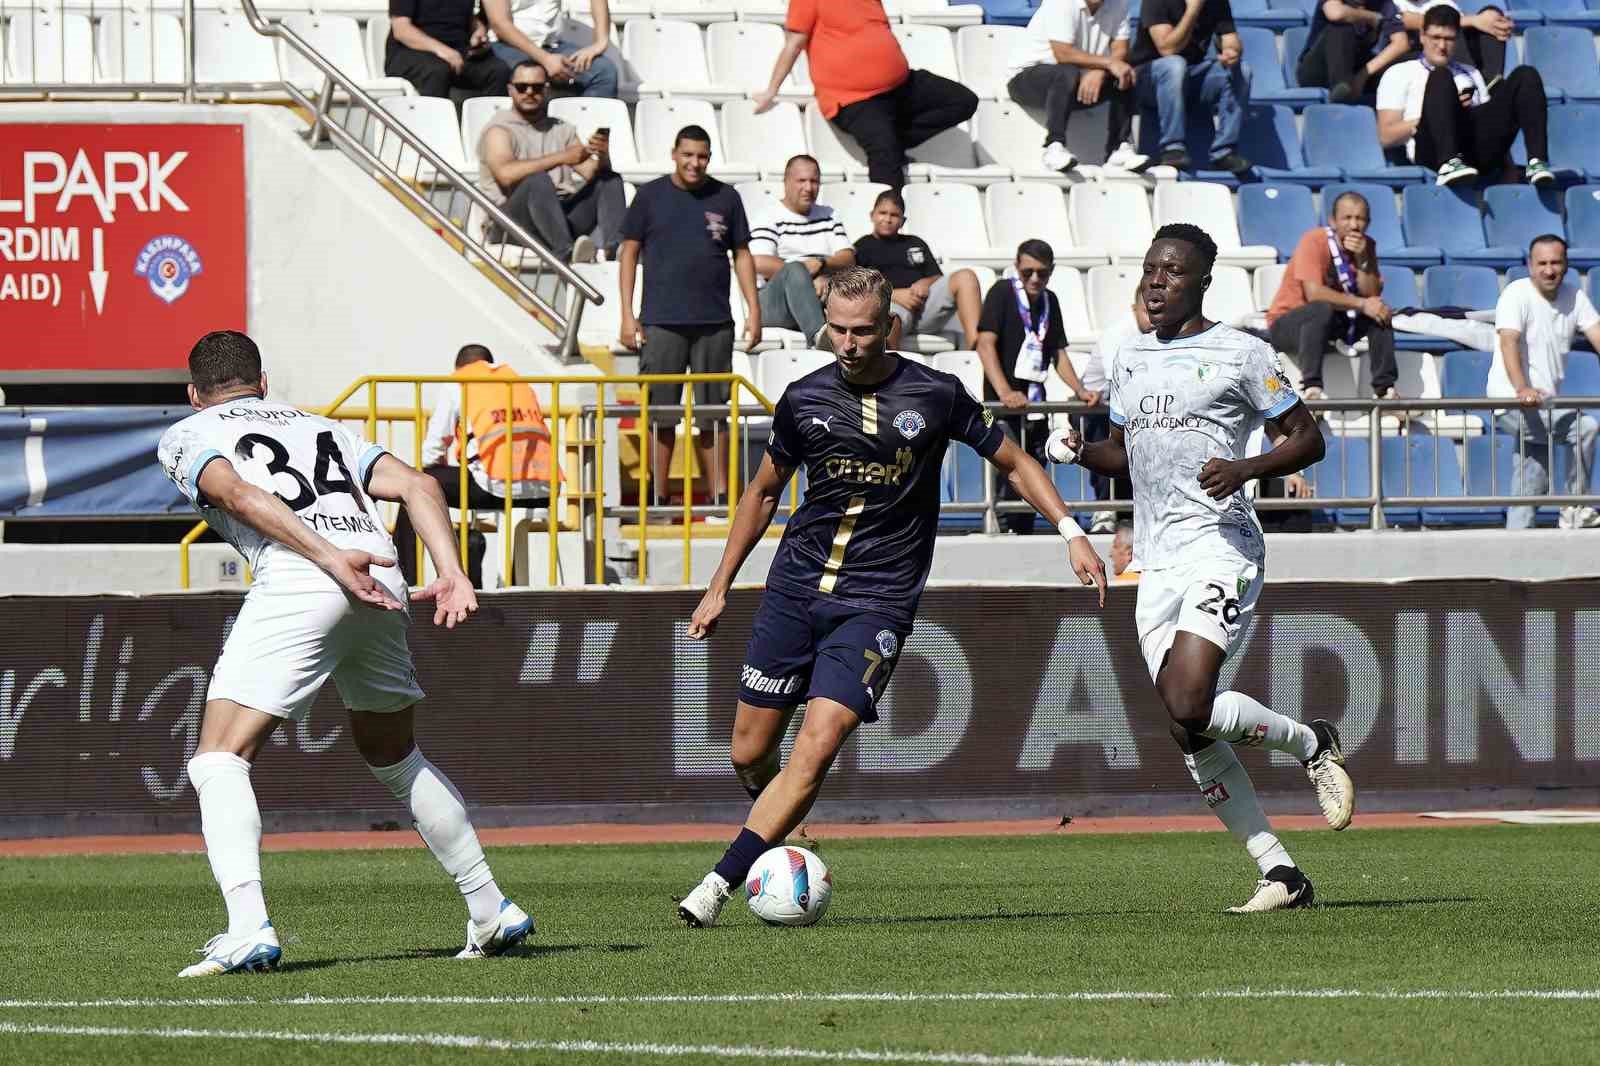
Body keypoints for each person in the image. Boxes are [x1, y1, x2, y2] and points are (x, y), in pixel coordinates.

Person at [674, 267, 1107, 928]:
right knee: (747, 752)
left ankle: (717, 884)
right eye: (838, 331)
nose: (848, 343)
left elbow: (1014, 461)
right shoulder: (803, 398)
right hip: (795, 590)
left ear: (889, 328)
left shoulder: (934, 394)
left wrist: (1072, 531)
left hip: (877, 600)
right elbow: (762, 493)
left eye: (862, 331)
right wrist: (719, 587)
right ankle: (777, 825)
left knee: (818, 744)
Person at [156, 331, 531, 976]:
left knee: (219, 757)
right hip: (382, 574)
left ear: (194, 394)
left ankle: (247, 928)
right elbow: (419, 486)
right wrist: (453, 571)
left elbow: (239, 495)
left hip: (312, 574)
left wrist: (329, 561)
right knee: (393, 752)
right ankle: (490, 907)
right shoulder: (321, 426)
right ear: (264, 382)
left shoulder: (189, 433)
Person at [1055, 224, 1356, 912]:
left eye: (1171, 272)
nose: (1155, 283)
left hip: (1222, 546)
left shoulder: (1244, 353)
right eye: (1148, 270)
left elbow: (1308, 437)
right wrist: (1075, 449)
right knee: (1186, 726)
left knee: (1190, 702)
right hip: (1156, 563)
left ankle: (1311, 741)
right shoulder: (1128, 356)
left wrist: (1247, 467)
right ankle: (1281, 872)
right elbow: (1123, 454)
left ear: (1201, 283)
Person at [619, 126, 761, 506]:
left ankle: (719, 497)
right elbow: (629, 253)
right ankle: (659, 498)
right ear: (674, 153)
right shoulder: (649, 196)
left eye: (702, 156)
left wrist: (754, 309)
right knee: (660, 414)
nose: (694, 163)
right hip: (661, 321)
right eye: (688, 155)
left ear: (709, 157)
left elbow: (742, 255)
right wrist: (626, 315)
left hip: (715, 322)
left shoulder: (726, 197)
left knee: (714, 416)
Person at [752, 0, 978, 189]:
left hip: (901, 84)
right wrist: (772, 90)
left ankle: (895, 140)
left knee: (963, 100)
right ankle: (887, 232)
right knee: (886, 156)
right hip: (854, 98)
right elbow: (794, 44)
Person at [395, 344, 556, 588]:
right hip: (542, 490)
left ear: (460, 367)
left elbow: (432, 450)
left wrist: (437, 471)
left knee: (414, 487)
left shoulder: (461, 382)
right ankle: (513, 583)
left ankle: (405, 582)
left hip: (496, 486)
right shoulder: (518, 383)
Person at [976, 239, 1099, 534]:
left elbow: (1058, 352)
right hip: (1002, 407)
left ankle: (1024, 530)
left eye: (1041, 273)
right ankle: (1003, 532)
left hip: (1034, 406)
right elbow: (984, 344)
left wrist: (1080, 389)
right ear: (1017, 267)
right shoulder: (1001, 292)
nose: (1034, 278)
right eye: (1027, 271)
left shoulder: (1049, 300)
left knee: (1034, 473)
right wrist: (1004, 391)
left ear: (1051, 272)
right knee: (1008, 472)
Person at [1374, 3, 1552, 187]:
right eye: (1436, 37)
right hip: (1431, 150)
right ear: (1422, 36)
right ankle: (1449, 163)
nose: (1442, 46)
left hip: (1475, 150)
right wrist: (1441, 113)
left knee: (1526, 75)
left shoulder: (1471, 73)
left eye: (1449, 39)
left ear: (1457, 39)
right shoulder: (1399, 73)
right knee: (1441, 75)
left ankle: (1537, 162)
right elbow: (1385, 136)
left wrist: (1509, 168)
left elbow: (1491, 122)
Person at [1490, 235, 1600, 530]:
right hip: (1512, 400)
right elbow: (1509, 342)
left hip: (1544, 404)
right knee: (1586, 427)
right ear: (1530, 265)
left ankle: (1516, 547)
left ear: (1566, 265)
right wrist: (1521, 387)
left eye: (1556, 263)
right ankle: (1576, 506)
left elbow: (1597, 333)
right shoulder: (1516, 294)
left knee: (1531, 478)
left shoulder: (1575, 296)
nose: (1549, 270)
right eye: (1542, 263)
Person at [475, 60, 623, 262]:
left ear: (547, 89)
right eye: (521, 87)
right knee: (537, 180)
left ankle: (616, 249)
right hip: (511, 223)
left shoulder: (562, 129)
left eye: (536, 87)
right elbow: (505, 175)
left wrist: (602, 154)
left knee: (609, 179)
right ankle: (566, 252)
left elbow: (592, 173)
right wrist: (562, 157)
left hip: (558, 217)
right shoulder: (498, 130)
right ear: (510, 90)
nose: (529, 92)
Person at [1266, 190, 1400, 404]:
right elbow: (1314, 293)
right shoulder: (1315, 240)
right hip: (1288, 324)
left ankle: (1386, 391)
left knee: (1380, 312)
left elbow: (1371, 295)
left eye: (1360, 219)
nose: (1354, 225)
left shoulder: (1367, 245)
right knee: (1321, 307)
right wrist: (1363, 304)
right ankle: (1312, 389)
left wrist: (1362, 258)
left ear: (1369, 222)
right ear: (1333, 221)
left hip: (1333, 322)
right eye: (1347, 218)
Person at [1004, 0, 1151, 173]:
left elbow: (1120, 48)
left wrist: (1102, 70)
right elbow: (1063, 53)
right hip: (1026, 81)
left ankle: (1118, 149)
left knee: (1125, 73)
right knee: (1066, 72)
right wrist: (1107, 64)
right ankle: (1054, 146)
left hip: (1078, 79)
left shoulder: (1118, 3)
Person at [1127, 0, 1253, 174]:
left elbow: (1230, 37)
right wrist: (1193, 10)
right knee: (1174, 64)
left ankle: (1224, 151)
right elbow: (1167, 48)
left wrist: (1232, 52)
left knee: (1242, 70)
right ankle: (1172, 148)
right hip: (1147, 80)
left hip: (1188, 76)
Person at [850, 189, 983, 351]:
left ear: (903, 220)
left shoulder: (915, 242)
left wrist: (926, 282)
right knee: (890, 317)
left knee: (965, 277)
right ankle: (887, 368)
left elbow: (936, 276)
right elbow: (855, 289)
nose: (887, 219)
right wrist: (893, 294)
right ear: (872, 215)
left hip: (924, 308)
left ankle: (977, 350)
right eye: (882, 213)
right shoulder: (861, 247)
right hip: (889, 308)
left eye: (894, 215)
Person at [751, 155, 855, 347]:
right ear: (786, 182)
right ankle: (821, 339)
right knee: (796, 270)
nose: (808, 188)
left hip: (821, 295)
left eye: (814, 181)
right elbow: (758, 262)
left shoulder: (829, 215)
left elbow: (848, 257)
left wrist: (821, 264)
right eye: (801, 181)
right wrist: (804, 278)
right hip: (774, 304)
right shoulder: (768, 215)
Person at [1082, 294, 1147, 532]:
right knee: (1105, 457)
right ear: (1134, 308)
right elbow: (1119, 381)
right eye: (1145, 310)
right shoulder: (1116, 334)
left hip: (1127, 410)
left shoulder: (1156, 332)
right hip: (1097, 409)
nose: (1150, 316)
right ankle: (1104, 512)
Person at [482, 0, 619, 99]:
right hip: (508, 46)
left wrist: (600, 42)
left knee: (604, 72)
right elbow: (500, 24)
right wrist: (545, 59)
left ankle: (588, 136)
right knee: (531, 74)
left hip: (554, 45)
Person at [386, 0, 510, 100]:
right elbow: (401, 30)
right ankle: (434, 128)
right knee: (438, 71)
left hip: (456, 51)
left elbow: (465, 17)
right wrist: (443, 51)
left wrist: (477, 31)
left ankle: (493, 128)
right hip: (409, 52)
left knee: (498, 71)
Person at [1295, 0, 1409, 104]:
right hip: (1317, 70)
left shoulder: (1384, 4)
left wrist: (1363, 75)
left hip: (1354, 69)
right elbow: (1335, 13)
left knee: (1408, 59)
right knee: (1342, 27)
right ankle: (1342, 89)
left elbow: (1401, 43)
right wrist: (1371, 16)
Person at [1393, 0, 1509, 83]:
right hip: (1411, 59)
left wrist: (1487, 19)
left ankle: (1491, 83)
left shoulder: (1442, 3)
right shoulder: (1390, 3)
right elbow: (1401, 20)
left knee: (1491, 13)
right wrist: (1473, 20)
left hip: (1449, 60)